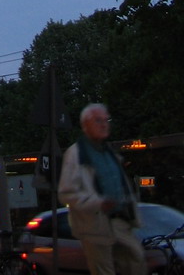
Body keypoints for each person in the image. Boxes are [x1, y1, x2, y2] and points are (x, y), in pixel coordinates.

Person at [58, 103, 145, 275]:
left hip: (120, 220)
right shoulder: (76, 153)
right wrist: (97, 203)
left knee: (136, 260)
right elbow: (67, 192)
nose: (104, 124)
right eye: (98, 120)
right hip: (95, 224)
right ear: (85, 125)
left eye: (107, 120)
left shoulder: (108, 152)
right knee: (104, 270)